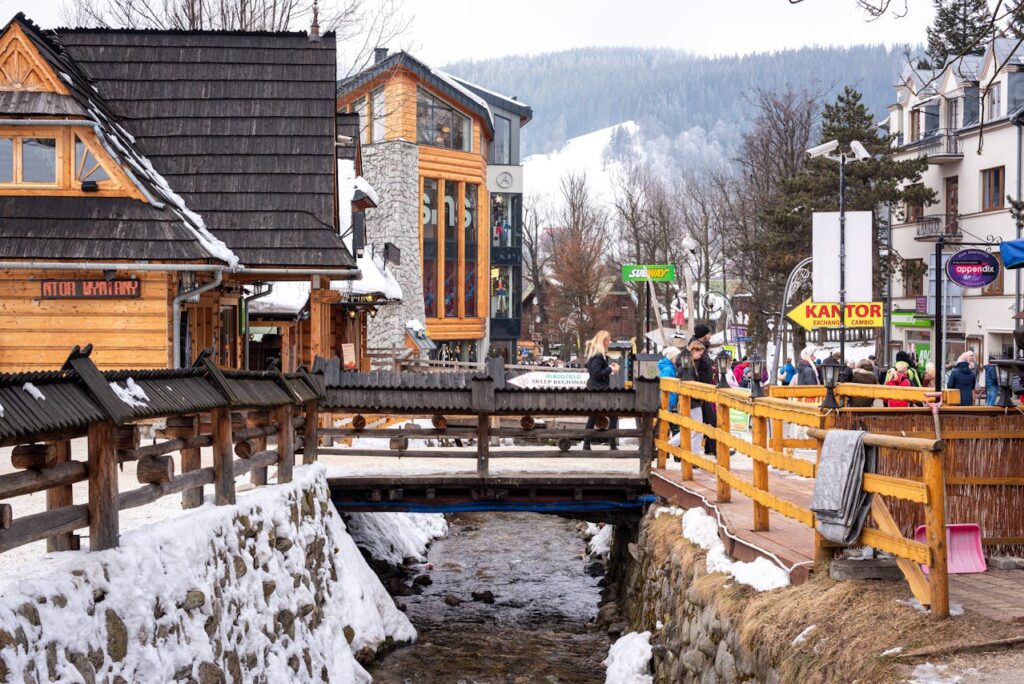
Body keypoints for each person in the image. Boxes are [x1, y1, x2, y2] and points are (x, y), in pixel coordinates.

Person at [583, 330, 620, 450]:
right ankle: (612, 444)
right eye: (608, 340)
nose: (609, 343)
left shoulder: (595, 354)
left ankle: (587, 444)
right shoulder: (598, 355)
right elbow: (596, 373)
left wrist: (609, 368)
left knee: (593, 416)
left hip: (596, 389)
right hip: (598, 390)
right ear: (603, 341)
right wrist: (610, 369)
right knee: (613, 415)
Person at [688, 339, 717, 456]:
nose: (701, 355)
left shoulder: (694, 364)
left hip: (697, 399)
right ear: (694, 350)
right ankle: (694, 456)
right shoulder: (689, 365)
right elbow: (690, 381)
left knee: (695, 428)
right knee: (697, 429)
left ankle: (670, 446)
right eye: (700, 352)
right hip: (693, 400)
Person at [658, 346, 680, 413]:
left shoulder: (670, 368)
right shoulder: (668, 370)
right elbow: (664, 387)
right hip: (669, 403)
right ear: (672, 357)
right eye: (677, 357)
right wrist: (670, 404)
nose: (678, 359)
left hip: (669, 401)